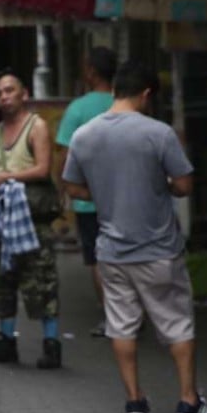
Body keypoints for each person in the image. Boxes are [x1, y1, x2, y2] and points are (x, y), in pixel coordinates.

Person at [61, 61, 207, 413]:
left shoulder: (84, 135)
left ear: (114, 89)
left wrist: (104, 194)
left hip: (111, 250)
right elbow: (184, 185)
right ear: (147, 94)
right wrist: (159, 186)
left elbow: (71, 186)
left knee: (121, 325)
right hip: (159, 249)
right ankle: (188, 401)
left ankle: (134, 401)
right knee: (177, 324)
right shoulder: (159, 133)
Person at [0, 70, 61, 368]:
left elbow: (43, 168)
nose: (4, 97)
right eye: (0, 92)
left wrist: (5, 177)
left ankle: (51, 343)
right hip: (1, 220)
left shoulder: (36, 127)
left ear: (24, 94)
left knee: (41, 282)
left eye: (10, 90)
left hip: (32, 219)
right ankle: (4, 340)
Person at [53, 47, 116, 338]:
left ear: (91, 71)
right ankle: (131, 313)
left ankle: (113, 318)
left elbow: (64, 154)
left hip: (87, 200)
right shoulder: (124, 104)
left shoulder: (78, 109)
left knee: (97, 260)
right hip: (126, 199)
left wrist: (62, 190)